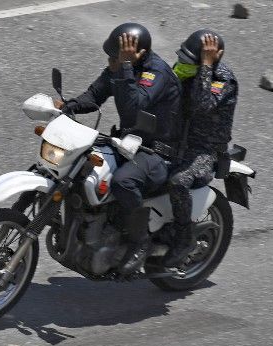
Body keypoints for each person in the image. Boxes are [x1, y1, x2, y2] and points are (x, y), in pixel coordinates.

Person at [57, 22, 183, 275]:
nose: (111, 60)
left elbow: (133, 109)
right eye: (112, 55)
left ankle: (140, 243)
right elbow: (94, 94)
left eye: (118, 55)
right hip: (128, 144)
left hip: (158, 153)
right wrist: (67, 106)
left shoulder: (155, 73)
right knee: (79, 167)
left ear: (140, 55)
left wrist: (123, 68)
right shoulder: (120, 67)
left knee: (124, 182)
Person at [164, 30, 239, 268]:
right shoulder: (188, 68)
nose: (186, 64)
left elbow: (201, 105)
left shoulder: (222, 78)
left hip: (204, 150)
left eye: (194, 60)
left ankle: (183, 237)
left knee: (177, 182)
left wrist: (205, 66)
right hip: (175, 141)